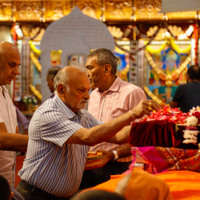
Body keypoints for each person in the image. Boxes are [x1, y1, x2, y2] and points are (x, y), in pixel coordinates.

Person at [16, 66, 159, 200]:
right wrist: (132, 114)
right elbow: (88, 137)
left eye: (88, 90)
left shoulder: (81, 114)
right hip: (36, 194)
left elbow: (118, 136)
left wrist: (152, 126)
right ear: (61, 89)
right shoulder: (49, 114)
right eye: (81, 90)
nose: (88, 96)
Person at [79, 48, 147, 189]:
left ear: (106, 69)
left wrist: (113, 154)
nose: (87, 73)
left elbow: (142, 138)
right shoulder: (93, 95)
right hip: (92, 164)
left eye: (90, 68)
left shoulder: (132, 93)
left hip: (119, 166)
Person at [0, 41, 28, 187]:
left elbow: (15, 136)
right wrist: (45, 143)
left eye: (18, 66)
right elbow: (2, 139)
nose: (17, 72)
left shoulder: (4, 92)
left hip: (6, 181)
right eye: (12, 65)